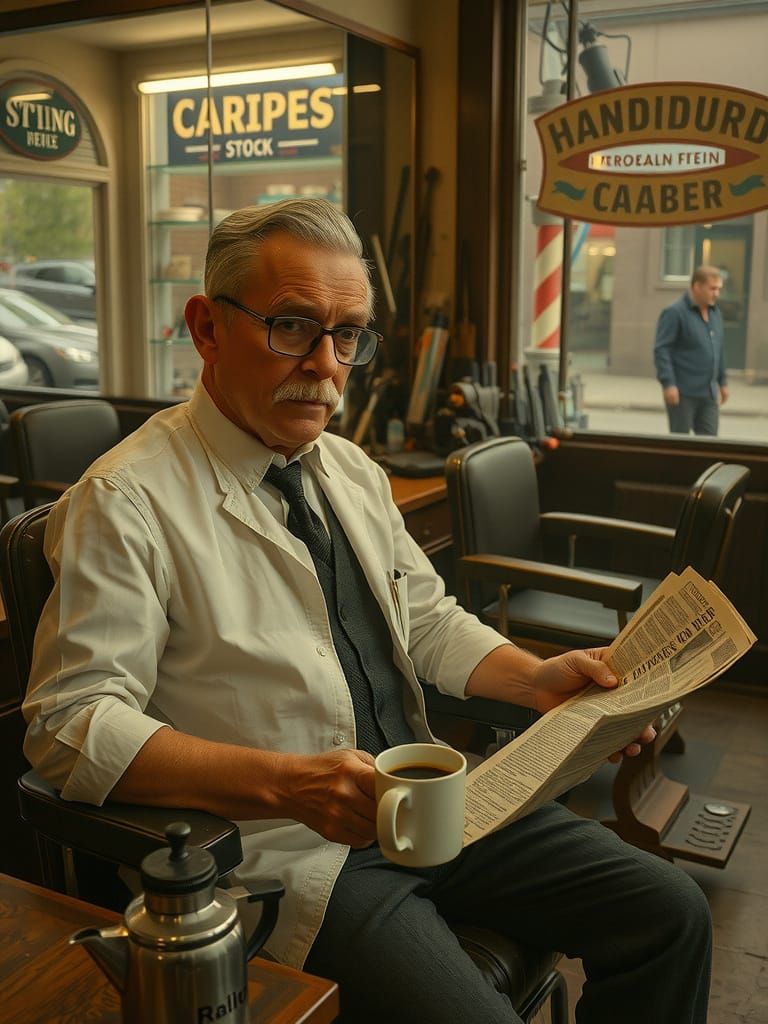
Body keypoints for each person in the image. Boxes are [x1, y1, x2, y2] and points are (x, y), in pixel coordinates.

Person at [23, 199, 711, 1024]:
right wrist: (289, 785)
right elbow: (70, 726)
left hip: (430, 805)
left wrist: (536, 681)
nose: (326, 364)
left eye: (348, 335)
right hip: (289, 851)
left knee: (673, 914)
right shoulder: (124, 501)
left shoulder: (345, 468)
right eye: (291, 326)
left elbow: (425, 619)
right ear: (206, 328)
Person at [654, 264, 729, 435]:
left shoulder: (715, 313)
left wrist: (723, 382)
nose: (716, 293)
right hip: (683, 392)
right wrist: (669, 384)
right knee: (681, 446)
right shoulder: (674, 312)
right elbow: (662, 350)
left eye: (718, 289)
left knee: (710, 444)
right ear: (697, 286)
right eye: (712, 288)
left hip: (708, 393)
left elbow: (718, 349)